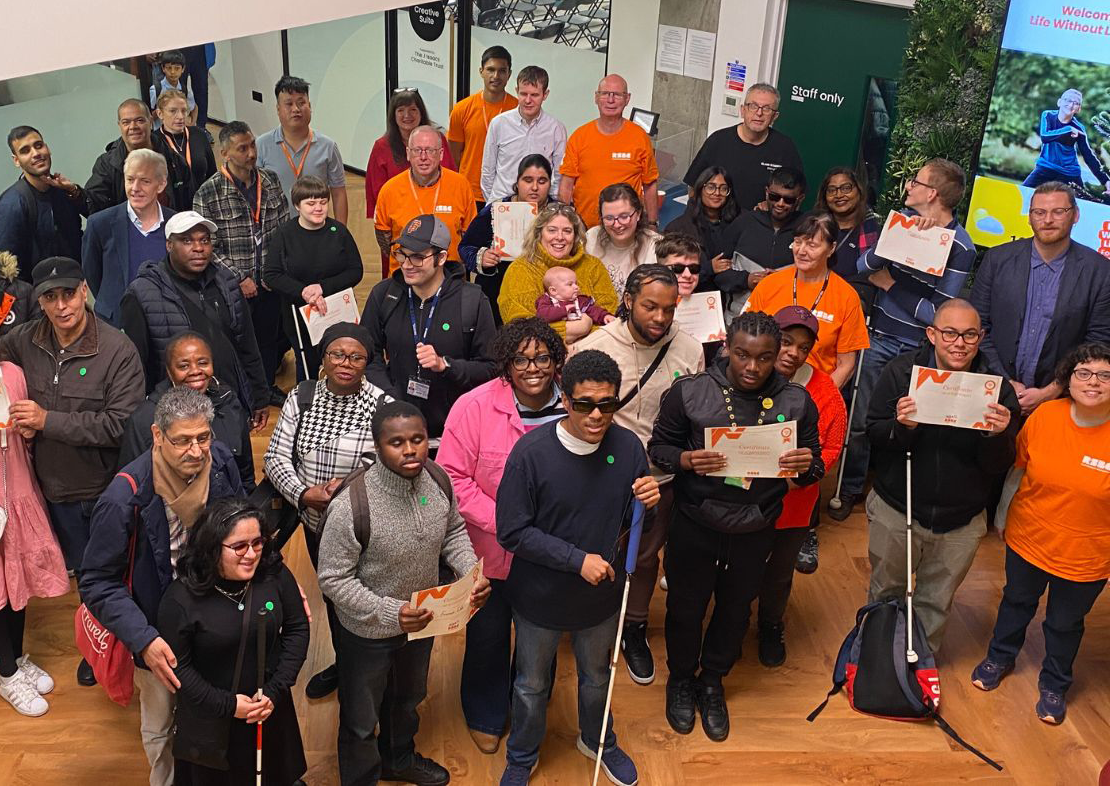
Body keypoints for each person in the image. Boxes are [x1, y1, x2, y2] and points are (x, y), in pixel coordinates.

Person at [648, 311, 823, 742]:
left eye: (764, 358)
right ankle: (681, 680)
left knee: (735, 607)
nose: (752, 367)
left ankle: (713, 682)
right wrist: (686, 460)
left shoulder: (797, 402)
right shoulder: (689, 393)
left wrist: (805, 466)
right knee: (686, 607)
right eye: (743, 355)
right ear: (726, 346)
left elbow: (813, 465)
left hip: (756, 523)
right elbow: (660, 448)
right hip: (695, 521)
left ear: (778, 355)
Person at [495, 349, 660, 786]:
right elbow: (511, 532)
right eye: (584, 404)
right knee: (531, 685)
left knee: (597, 677)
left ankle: (598, 740)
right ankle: (523, 755)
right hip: (540, 599)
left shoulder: (627, 448)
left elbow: (636, 525)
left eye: (607, 404)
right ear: (564, 401)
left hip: (601, 598)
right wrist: (576, 560)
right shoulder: (530, 454)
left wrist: (650, 505)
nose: (596, 415)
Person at [80, 386, 247, 786]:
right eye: (182, 441)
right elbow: (97, 582)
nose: (195, 451)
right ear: (157, 436)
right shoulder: (124, 497)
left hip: (215, 613)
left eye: (203, 437)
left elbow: (244, 526)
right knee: (160, 722)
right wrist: (143, 640)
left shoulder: (220, 462)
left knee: (214, 708)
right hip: (157, 627)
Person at [317, 400, 490, 786]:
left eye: (417, 438)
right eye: (396, 442)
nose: (410, 449)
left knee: (408, 698)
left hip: (423, 622)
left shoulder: (437, 480)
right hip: (367, 631)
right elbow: (332, 579)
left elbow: (454, 532)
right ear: (378, 446)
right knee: (361, 718)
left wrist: (470, 571)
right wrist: (390, 613)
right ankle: (361, 777)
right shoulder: (352, 505)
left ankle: (398, 759)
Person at [437, 317, 567, 753]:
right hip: (490, 550)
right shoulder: (473, 406)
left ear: (556, 361)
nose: (533, 368)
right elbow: (453, 477)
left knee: (540, 641)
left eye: (542, 358)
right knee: (488, 635)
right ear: (505, 365)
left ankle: (528, 711)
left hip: (551, 552)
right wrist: (510, 523)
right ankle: (485, 711)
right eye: (521, 359)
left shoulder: (574, 406)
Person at [574, 265, 704, 686]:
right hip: (600, 475)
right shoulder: (594, 348)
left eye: (669, 309)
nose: (660, 319)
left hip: (660, 478)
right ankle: (589, 621)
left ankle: (634, 626)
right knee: (597, 552)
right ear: (628, 300)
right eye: (650, 307)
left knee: (646, 558)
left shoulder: (689, 348)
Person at [865, 299, 1018, 653]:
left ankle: (920, 668)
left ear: (981, 338)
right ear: (932, 334)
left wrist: (997, 436)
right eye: (949, 333)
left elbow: (1000, 465)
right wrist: (902, 428)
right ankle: (875, 659)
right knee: (885, 591)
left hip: (961, 521)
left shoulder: (996, 390)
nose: (959, 343)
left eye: (969, 334)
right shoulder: (902, 373)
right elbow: (873, 434)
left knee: (936, 601)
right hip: (897, 508)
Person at [971, 342, 1110, 725]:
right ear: (1068, 379)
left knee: (1064, 623)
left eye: (1104, 374)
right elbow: (1018, 469)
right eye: (1083, 372)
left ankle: (1054, 684)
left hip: (1087, 554)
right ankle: (999, 658)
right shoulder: (1047, 414)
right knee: (1016, 601)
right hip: (1029, 535)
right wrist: (1001, 515)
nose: (1093, 382)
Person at [833, 158, 975, 522]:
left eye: (916, 181)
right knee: (862, 418)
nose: (908, 185)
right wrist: (902, 236)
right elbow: (863, 268)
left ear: (933, 193)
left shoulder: (961, 246)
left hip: (921, 349)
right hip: (878, 337)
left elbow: (938, 316)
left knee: (913, 423)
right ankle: (849, 489)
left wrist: (890, 285)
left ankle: (894, 493)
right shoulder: (901, 224)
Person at [263, 322, 391, 700]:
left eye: (356, 356)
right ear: (324, 357)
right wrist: (303, 494)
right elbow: (275, 457)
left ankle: (370, 672)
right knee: (334, 597)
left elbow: (384, 466)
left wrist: (342, 491)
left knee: (365, 597)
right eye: (337, 354)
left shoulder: (382, 406)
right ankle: (345, 664)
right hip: (313, 523)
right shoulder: (301, 396)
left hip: (363, 529)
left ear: (368, 362)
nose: (346, 363)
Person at [0, 257, 145, 576]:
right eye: (50, 297)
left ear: (84, 291)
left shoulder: (117, 351)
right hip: (44, 492)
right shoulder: (26, 338)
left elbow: (121, 425)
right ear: (40, 301)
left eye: (68, 294)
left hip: (96, 494)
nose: (61, 306)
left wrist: (45, 421)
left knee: (102, 580)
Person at [158, 499, 308, 785]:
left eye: (258, 542)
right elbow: (179, 668)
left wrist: (275, 691)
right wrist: (227, 704)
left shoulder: (273, 573)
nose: (251, 554)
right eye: (239, 546)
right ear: (213, 547)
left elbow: (297, 628)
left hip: (267, 708)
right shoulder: (180, 599)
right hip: (211, 719)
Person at [753, 306, 846, 667]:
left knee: (779, 571)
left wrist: (801, 475)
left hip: (794, 501)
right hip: (742, 496)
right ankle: (733, 618)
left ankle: (771, 625)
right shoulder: (745, 375)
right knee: (737, 563)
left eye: (803, 347)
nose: (793, 352)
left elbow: (833, 445)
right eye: (786, 342)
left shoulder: (824, 391)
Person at [971, 181, 1110, 417]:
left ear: (1075, 215)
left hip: (1060, 403)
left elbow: (1098, 342)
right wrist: (1004, 382)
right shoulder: (997, 260)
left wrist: (1052, 390)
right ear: (1029, 216)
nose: (1048, 220)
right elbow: (977, 327)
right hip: (991, 393)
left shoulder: (1100, 272)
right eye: (1039, 212)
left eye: (1058, 212)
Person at [121, 211, 269, 430]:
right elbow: (138, 365)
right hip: (177, 414)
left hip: (228, 405)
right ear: (169, 245)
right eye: (187, 240)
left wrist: (259, 396)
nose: (199, 248)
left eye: (204, 240)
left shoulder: (226, 281)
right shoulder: (142, 293)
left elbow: (246, 343)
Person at [362, 214, 497, 443]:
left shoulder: (471, 300)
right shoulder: (385, 294)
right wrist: (391, 396)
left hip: (454, 433)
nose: (406, 264)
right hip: (396, 429)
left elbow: (491, 368)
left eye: (417, 257)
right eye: (401, 254)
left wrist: (446, 365)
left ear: (441, 257)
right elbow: (367, 353)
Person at [193, 121, 290, 401]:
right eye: (242, 148)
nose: (251, 154)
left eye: (252, 146)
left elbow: (283, 229)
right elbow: (207, 246)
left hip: (269, 281)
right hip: (232, 286)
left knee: (269, 338)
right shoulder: (208, 193)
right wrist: (239, 277)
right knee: (238, 342)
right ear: (225, 153)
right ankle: (239, 392)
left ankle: (267, 386)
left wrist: (274, 271)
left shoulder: (270, 181)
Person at [0, 360, 69, 717]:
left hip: (19, 488)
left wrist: (29, 433)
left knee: (20, 577)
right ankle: (6, 673)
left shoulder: (12, 373)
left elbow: (26, 440)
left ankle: (14, 656)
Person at [743, 212, 870, 389]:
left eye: (812, 245)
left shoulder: (847, 296)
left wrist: (821, 399)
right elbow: (743, 337)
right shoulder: (770, 284)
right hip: (762, 385)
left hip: (814, 390)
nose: (801, 251)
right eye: (797, 242)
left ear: (831, 248)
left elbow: (846, 365)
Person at [119, 331, 255, 490]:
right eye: (184, 366)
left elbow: (245, 474)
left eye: (203, 363)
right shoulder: (145, 418)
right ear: (169, 371)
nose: (195, 371)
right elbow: (131, 485)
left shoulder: (229, 403)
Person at [262, 175, 363, 380]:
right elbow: (272, 275)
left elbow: (355, 271)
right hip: (299, 315)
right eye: (311, 203)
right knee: (307, 365)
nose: (318, 208)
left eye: (323, 202)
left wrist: (322, 288)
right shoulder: (284, 234)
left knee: (340, 360)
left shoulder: (339, 231)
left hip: (336, 311)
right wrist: (304, 291)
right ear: (297, 206)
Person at [498, 203, 618, 342]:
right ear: (539, 234)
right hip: (538, 356)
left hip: (592, 352)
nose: (560, 237)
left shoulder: (593, 266)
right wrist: (581, 327)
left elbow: (609, 318)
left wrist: (579, 347)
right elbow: (521, 326)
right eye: (552, 230)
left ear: (576, 236)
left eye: (567, 231)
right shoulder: (520, 269)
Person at [82, 149, 175, 327]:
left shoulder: (175, 224)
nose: (135, 188)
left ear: (161, 184)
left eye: (145, 181)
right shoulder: (100, 224)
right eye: (130, 179)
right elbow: (92, 272)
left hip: (165, 325)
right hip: (115, 324)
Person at [558, 74, 659, 229]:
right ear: (596, 97)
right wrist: (564, 223)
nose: (610, 100)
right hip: (586, 227)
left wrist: (652, 223)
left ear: (627, 99)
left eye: (617, 95)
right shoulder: (579, 136)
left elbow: (650, 184)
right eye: (605, 94)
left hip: (627, 228)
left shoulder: (639, 137)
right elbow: (566, 184)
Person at [462, 154, 554, 324]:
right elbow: (466, 246)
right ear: (517, 183)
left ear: (550, 184)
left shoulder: (559, 213)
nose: (534, 187)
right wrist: (482, 258)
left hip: (547, 296)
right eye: (528, 180)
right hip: (497, 293)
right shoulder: (496, 210)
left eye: (542, 181)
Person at [375, 125, 476, 277]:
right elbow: (383, 237)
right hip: (405, 276)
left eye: (430, 150)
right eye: (417, 150)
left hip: (450, 277)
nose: (423, 157)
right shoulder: (389, 190)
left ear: (441, 154)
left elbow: (469, 236)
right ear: (408, 154)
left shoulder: (461, 185)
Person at [683, 83, 803, 211]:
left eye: (767, 108)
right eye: (753, 106)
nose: (759, 113)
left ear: (775, 116)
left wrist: (774, 208)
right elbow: (693, 186)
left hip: (760, 226)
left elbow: (797, 195)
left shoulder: (785, 148)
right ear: (742, 110)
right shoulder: (718, 141)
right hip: (718, 224)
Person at [257, 76, 348, 223]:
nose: (296, 109)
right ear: (278, 109)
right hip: (277, 229)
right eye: (289, 104)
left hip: (316, 226)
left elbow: (338, 192)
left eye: (301, 103)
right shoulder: (261, 145)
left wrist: (340, 232)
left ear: (310, 106)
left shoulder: (328, 146)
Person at [364, 89, 456, 235]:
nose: (407, 115)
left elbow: (450, 177)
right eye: (401, 110)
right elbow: (377, 191)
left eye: (413, 109)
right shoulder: (382, 147)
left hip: (438, 214)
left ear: (421, 113)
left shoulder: (438, 139)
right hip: (399, 219)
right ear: (393, 115)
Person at [0, 126, 86, 280]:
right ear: (16, 160)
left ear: (47, 148)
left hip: (73, 286)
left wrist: (74, 191)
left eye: (38, 145)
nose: (36, 154)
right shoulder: (11, 204)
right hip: (34, 297)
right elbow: (8, 270)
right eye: (25, 150)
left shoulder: (63, 190)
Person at [480, 65, 566, 203]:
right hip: (503, 202)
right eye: (523, 94)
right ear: (516, 91)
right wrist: (495, 203)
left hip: (540, 206)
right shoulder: (499, 123)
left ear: (545, 94)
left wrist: (551, 205)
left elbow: (559, 174)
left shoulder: (556, 128)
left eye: (534, 95)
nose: (528, 100)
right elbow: (487, 171)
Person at [448, 46, 517, 207]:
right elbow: (454, 156)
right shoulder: (462, 109)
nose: (496, 76)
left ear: (509, 74)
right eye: (490, 70)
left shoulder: (518, 109)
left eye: (502, 71)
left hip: (507, 193)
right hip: (470, 193)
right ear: (481, 71)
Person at [725, 167, 807, 292]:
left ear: (800, 199)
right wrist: (746, 280)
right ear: (767, 192)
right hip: (741, 308)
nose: (780, 203)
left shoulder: (808, 228)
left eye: (788, 200)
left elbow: (818, 276)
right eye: (774, 197)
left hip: (788, 307)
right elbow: (717, 272)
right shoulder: (744, 222)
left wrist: (786, 281)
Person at [86, 99, 168, 214]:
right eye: (126, 122)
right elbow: (94, 206)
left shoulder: (171, 156)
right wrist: (75, 192)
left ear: (150, 121)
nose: (133, 127)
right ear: (119, 125)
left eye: (139, 120)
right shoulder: (107, 164)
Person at [1023, 89, 1110, 192]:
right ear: (1059, 102)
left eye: (1076, 103)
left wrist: (1106, 181)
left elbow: (1088, 156)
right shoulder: (1048, 115)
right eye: (1067, 100)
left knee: (1080, 203)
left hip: (1069, 173)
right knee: (1023, 192)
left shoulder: (1079, 128)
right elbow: (1045, 137)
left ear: (1078, 109)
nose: (1071, 104)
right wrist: (1068, 130)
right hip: (1045, 167)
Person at [665, 166, 742, 274]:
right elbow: (673, 275)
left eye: (723, 188)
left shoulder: (738, 222)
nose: (717, 193)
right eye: (711, 187)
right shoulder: (677, 228)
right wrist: (709, 268)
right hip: (694, 287)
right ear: (700, 188)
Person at [587, 183, 660, 297]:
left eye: (624, 216)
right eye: (609, 218)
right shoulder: (591, 238)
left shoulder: (655, 245)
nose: (617, 225)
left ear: (638, 213)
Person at [814, 167, 879, 284]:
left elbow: (873, 275)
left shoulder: (871, 229)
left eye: (846, 188)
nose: (839, 195)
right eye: (832, 190)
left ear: (859, 191)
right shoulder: (814, 226)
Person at [154, 90, 217, 212]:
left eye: (184, 111)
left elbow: (213, 174)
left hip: (203, 207)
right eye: (173, 111)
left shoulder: (199, 135)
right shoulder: (154, 142)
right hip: (171, 211)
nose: (180, 116)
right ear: (160, 113)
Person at [535, 265, 614, 336]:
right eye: (570, 284)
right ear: (553, 291)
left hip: (580, 339)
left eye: (576, 283)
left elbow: (593, 310)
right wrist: (563, 310)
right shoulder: (546, 301)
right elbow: (542, 315)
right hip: (558, 339)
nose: (576, 287)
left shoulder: (579, 301)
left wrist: (604, 316)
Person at [147, 51, 196, 126]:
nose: (173, 72)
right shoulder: (156, 90)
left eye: (177, 68)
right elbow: (149, 115)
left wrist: (192, 124)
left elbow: (194, 108)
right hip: (161, 133)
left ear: (183, 69)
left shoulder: (185, 90)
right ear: (163, 68)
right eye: (169, 68)